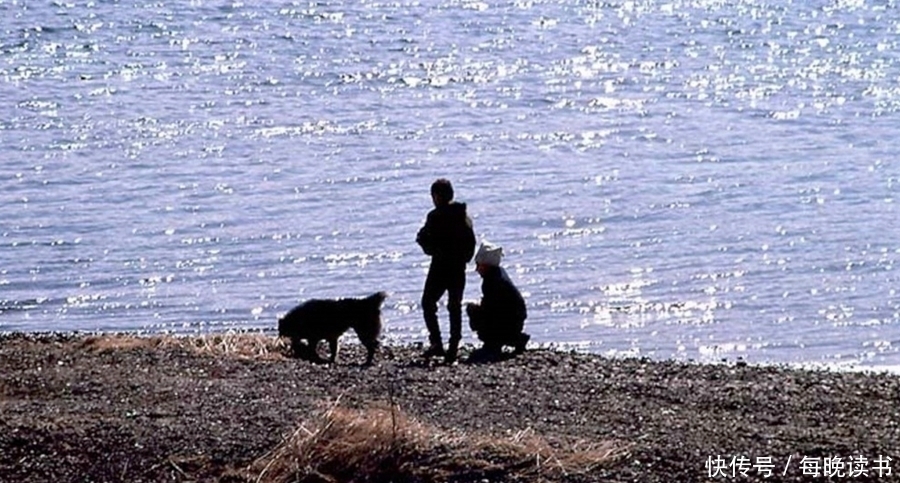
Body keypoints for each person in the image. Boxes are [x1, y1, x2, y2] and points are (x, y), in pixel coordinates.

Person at [416, 178, 477, 363]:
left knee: (428, 303)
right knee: (454, 307)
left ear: (437, 196)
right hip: (458, 267)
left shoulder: (435, 216)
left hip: (440, 266)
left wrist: (423, 241)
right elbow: (471, 243)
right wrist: (464, 259)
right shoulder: (463, 215)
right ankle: (453, 347)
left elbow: (428, 243)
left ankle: (436, 343)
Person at [466, 241, 530, 358]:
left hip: (508, 320)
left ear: (484, 265)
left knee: (473, 310)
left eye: (478, 265)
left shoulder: (491, 281)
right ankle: (510, 338)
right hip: (515, 318)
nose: (477, 269)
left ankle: (494, 341)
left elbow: (491, 309)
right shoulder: (498, 274)